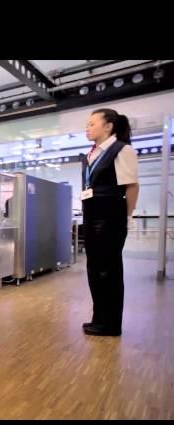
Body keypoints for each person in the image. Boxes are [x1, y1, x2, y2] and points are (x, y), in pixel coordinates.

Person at [81, 108, 139, 336]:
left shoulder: (122, 150)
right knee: (94, 269)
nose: (87, 128)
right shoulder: (91, 153)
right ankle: (99, 318)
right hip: (92, 215)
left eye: (92, 124)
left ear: (108, 126)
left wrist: (128, 216)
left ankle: (111, 324)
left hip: (110, 216)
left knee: (109, 271)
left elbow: (132, 186)